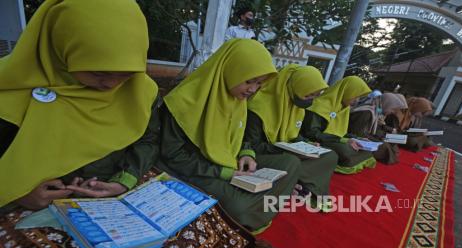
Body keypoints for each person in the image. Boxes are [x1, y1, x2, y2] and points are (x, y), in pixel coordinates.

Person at [0, 0, 159, 209]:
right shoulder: (10, 91)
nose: (111, 84)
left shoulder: (140, 91)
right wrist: (17, 195)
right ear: (61, 47)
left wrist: (123, 181)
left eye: (127, 73)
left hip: (109, 202)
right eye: (98, 73)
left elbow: (148, 139)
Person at [157, 39, 300, 232]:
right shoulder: (183, 102)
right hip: (194, 169)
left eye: (259, 83)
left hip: (228, 162)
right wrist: (223, 173)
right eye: (249, 81)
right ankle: (246, 224)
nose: (253, 89)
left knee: (290, 164)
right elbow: (172, 155)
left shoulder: (237, 100)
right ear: (230, 69)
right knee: (238, 207)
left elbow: (240, 136)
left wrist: (246, 153)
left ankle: (253, 211)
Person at [245, 64, 338, 206]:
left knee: (330, 155)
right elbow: (253, 145)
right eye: (308, 95)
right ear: (294, 87)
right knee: (290, 161)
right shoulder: (258, 107)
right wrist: (285, 148)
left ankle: (299, 183)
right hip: (263, 154)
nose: (310, 100)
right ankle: (292, 183)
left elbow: (292, 134)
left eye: (315, 95)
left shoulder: (296, 107)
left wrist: (306, 143)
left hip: (286, 151)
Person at [302, 76, 377, 174]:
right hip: (319, 140)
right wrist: (343, 140)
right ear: (346, 91)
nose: (357, 100)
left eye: (359, 97)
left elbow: (341, 132)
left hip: (334, 139)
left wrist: (357, 138)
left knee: (363, 148)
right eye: (355, 96)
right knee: (346, 150)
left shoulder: (344, 108)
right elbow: (312, 133)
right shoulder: (319, 105)